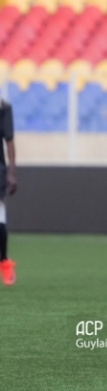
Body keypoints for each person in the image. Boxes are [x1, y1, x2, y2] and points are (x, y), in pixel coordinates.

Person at [0, 98, 16, 286]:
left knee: (0, 225)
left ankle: (3, 261)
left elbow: (9, 141)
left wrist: (12, 172)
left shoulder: (3, 108)